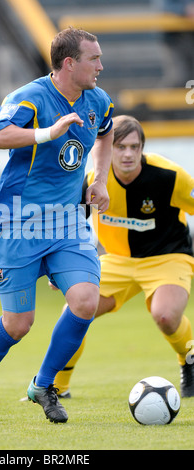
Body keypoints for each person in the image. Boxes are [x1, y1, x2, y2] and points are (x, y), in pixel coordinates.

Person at [0, 27, 114, 424]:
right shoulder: (30, 97)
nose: (101, 65)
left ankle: (44, 385)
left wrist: (99, 180)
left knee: (85, 301)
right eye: (93, 59)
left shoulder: (97, 99)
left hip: (67, 224)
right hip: (19, 225)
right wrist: (48, 132)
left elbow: (107, 129)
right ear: (69, 63)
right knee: (18, 325)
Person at [54, 115, 194, 399]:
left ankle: (188, 359)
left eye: (134, 146)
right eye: (120, 147)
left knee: (166, 316)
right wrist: (62, 268)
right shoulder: (92, 181)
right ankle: (57, 386)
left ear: (142, 147)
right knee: (75, 311)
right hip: (116, 260)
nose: (128, 154)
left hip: (168, 257)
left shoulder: (170, 177)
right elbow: (70, 228)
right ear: (106, 148)